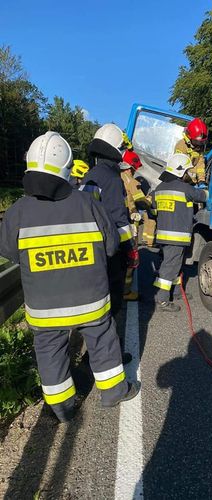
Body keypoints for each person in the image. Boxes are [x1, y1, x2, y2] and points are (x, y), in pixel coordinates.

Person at [0, 132, 140, 423]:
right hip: (91, 301)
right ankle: (113, 391)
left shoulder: (17, 212)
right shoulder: (88, 204)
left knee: (49, 349)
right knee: (102, 338)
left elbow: (10, 253)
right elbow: (112, 245)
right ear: (66, 168)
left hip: (44, 308)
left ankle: (62, 409)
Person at [80, 124, 139, 317]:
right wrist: (131, 250)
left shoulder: (90, 176)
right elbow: (118, 219)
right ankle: (110, 344)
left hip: (91, 249)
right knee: (113, 300)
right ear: (116, 149)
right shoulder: (112, 180)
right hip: (111, 251)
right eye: (123, 148)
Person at [152, 153, 208, 312]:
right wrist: (205, 188)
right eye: (187, 172)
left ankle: (176, 292)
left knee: (176, 264)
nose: (188, 175)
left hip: (164, 235)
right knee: (169, 266)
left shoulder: (159, 188)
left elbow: (154, 207)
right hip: (177, 235)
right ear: (180, 172)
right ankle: (162, 299)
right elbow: (203, 196)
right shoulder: (185, 188)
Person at [120, 149, 148, 301]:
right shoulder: (130, 181)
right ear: (130, 167)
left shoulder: (115, 178)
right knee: (131, 258)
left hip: (118, 222)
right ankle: (126, 292)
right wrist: (151, 202)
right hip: (129, 225)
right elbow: (141, 200)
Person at [174, 118, 208, 187]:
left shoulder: (199, 146)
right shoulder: (181, 145)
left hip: (193, 183)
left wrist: (201, 180)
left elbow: (200, 165)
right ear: (189, 137)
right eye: (197, 141)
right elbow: (178, 166)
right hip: (181, 180)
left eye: (201, 142)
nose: (199, 144)